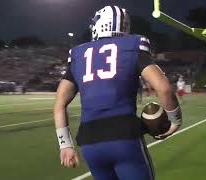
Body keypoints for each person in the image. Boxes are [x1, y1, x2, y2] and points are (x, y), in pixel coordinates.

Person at [53, 6, 182, 180]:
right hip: (124, 138)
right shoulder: (134, 44)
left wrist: (65, 144)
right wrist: (175, 120)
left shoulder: (78, 53)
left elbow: (60, 103)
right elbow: (164, 88)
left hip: (90, 142)